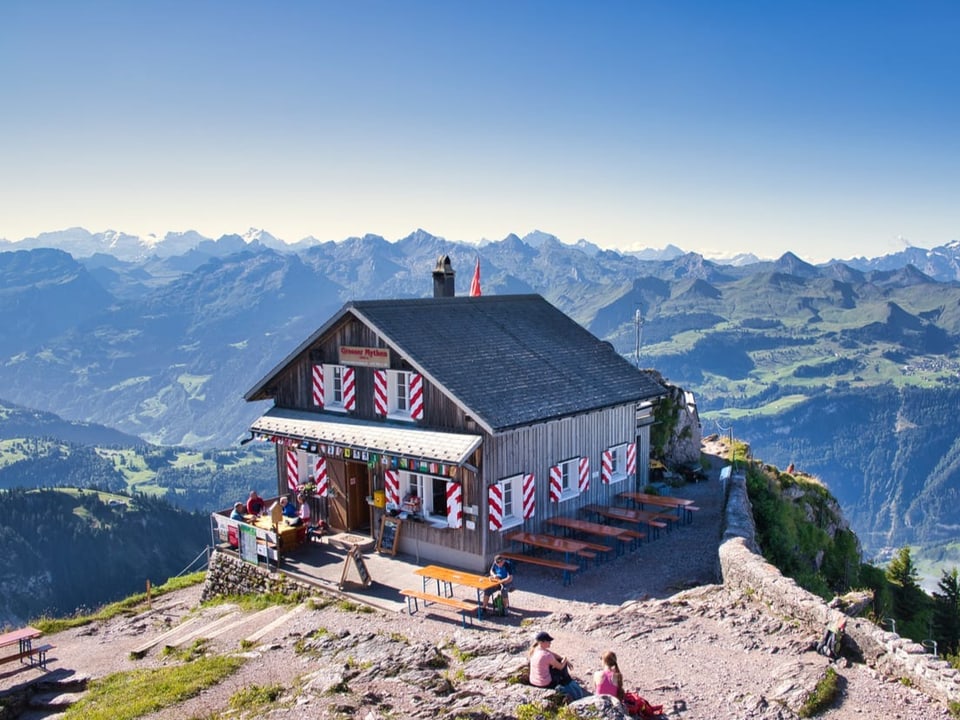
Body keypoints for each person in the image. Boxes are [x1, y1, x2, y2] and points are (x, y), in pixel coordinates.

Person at [527, 631, 588, 701]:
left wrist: (562, 658)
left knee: (558, 661)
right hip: (545, 684)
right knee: (562, 666)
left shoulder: (535, 650)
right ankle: (568, 683)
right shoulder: (546, 655)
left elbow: (553, 654)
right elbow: (560, 666)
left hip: (533, 681)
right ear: (542, 642)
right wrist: (565, 658)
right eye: (548, 641)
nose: (550, 643)